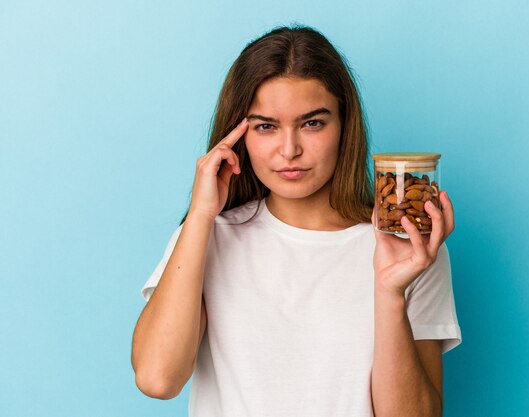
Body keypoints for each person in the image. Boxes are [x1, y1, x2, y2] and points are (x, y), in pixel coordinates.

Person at [131, 24, 461, 417]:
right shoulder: (207, 237)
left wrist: (389, 295)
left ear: (344, 127)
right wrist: (202, 216)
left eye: (312, 123)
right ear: (238, 136)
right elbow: (157, 378)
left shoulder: (409, 249)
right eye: (266, 127)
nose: (290, 150)